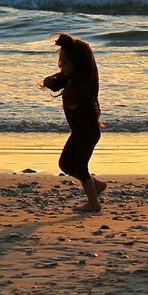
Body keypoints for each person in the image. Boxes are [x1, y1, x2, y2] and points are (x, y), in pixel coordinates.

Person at [42, 33, 105, 213]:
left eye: (66, 63)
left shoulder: (85, 81)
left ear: (79, 64)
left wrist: (71, 101)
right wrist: (49, 82)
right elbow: (57, 82)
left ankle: (93, 203)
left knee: (79, 165)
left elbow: (77, 101)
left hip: (88, 131)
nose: (62, 67)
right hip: (78, 131)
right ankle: (96, 185)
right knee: (65, 165)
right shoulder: (70, 76)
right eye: (61, 63)